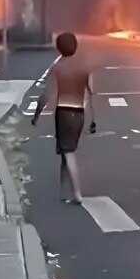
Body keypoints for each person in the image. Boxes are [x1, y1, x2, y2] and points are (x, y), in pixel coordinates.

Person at [32, 32, 96, 203]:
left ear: (59, 47)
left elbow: (47, 93)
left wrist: (37, 115)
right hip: (79, 114)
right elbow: (91, 92)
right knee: (64, 151)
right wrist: (93, 119)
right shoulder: (85, 66)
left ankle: (77, 194)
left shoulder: (58, 67)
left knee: (68, 152)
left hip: (64, 113)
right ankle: (63, 191)